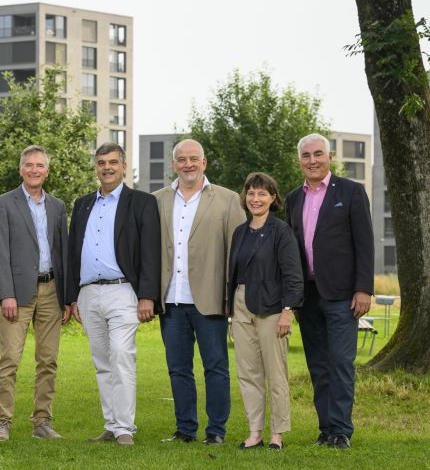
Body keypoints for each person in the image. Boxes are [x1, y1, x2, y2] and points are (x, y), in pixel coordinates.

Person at [66, 142, 161, 446]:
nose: (106, 167)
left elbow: (150, 251)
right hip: (89, 293)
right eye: (101, 162)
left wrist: (147, 295)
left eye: (112, 162)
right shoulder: (82, 204)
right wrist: (72, 296)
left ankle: (125, 428)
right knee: (102, 360)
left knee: (121, 355)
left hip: (123, 291)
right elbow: (72, 251)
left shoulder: (141, 202)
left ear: (123, 166)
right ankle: (111, 424)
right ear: (96, 167)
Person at [153, 139, 246, 446]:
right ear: (173, 164)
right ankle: (185, 429)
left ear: (204, 162)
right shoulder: (157, 200)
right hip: (171, 299)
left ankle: (216, 430)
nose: (188, 164)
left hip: (211, 299)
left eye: (194, 158)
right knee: (178, 369)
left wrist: (232, 298)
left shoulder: (228, 200)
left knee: (215, 367)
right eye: (182, 159)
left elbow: (238, 252)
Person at [285, 133, 373, 450]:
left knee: (340, 363)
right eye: (306, 156)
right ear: (300, 161)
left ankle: (340, 431)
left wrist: (363, 289)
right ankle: (325, 429)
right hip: (307, 297)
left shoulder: (351, 192)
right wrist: (291, 297)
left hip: (342, 295)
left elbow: (364, 244)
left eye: (318, 154)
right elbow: (291, 251)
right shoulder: (293, 198)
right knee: (318, 365)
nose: (313, 161)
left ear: (330, 156)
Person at [0, 145, 70, 442]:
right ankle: (1, 422)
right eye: (29, 165)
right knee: (9, 358)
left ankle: (42, 422)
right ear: (21, 169)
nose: (34, 170)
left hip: (52, 291)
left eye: (40, 165)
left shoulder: (58, 206)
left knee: (48, 360)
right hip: (18, 292)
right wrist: (5, 294)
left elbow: (63, 253)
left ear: (47, 171)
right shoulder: (4, 203)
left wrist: (67, 298)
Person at [228, 172, 303, 450]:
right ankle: (255, 432)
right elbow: (233, 275)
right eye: (251, 193)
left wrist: (287, 311)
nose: (255, 199)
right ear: (245, 197)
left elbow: (293, 274)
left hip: (272, 307)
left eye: (262, 194)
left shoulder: (281, 231)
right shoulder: (240, 232)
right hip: (241, 305)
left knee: (275, 373)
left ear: (273, 198)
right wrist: (232, 315)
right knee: (248, 373)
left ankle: (277, 434)